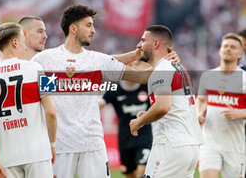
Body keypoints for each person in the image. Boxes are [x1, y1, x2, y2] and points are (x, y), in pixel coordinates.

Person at [31, 4, 178, 178]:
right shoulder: (46, 60)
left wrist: (165, 62)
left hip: (93, 145)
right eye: (88, 25)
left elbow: (141, 77)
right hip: (61, 147)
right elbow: (36, 100)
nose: (93, 30)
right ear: (73, 28)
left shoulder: (96, 60)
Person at [0, 22, 57, 178]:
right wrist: (52, 144)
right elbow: (51, 112)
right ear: (15, 42)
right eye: (23, 43)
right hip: (38, 154)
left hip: (7, 159)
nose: (25, 47)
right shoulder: (38, 68)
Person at [129, 25, 203, 177]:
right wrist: (148, 115)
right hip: (189, 145)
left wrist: (138, 121)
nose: (139, 45)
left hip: (170, 145)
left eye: (143, 40)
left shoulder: (162, 69)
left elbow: (163, 107)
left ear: (155, 44)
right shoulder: (178, 67)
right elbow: (173, 105)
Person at [197, 33, 246, 178]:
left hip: (235, 145)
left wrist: (240, 113)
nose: (228, 49)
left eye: (232, 47)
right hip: (209, 142)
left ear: (240, 53)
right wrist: (199, 114)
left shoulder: (244, 79)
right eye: (225, 46)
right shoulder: (208, 76)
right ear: (220, 50)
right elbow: (200, 100)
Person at [99, 61, 152, 178]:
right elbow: (100, 104)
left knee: (142, 171)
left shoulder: (146, 87)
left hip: (145, 137)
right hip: (125, 140)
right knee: (130, 174)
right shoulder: (115, 90)